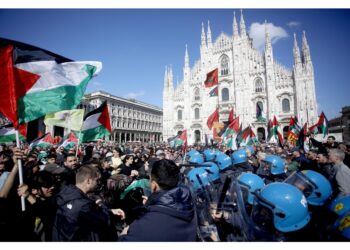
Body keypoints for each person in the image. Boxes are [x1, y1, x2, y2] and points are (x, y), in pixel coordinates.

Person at [119, 159, 197, 241]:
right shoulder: (189, 206)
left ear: (153, 185)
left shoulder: (141, 228)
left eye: (150, 179)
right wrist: (152, 205)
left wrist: (122, 236)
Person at [52, 164, 124, 241]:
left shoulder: (66, 193)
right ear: (88, 181)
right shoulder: (83, 205)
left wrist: (110, 211)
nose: (98, 183)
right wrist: (101, 203)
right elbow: (104, 219)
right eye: (96, 180)